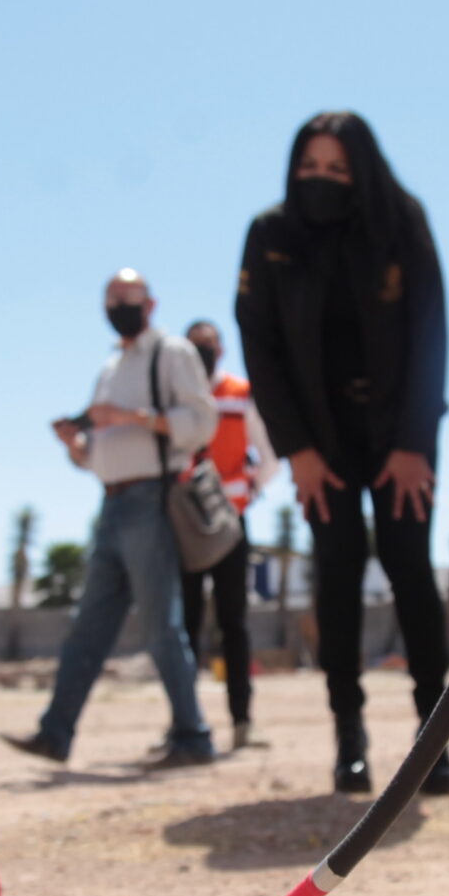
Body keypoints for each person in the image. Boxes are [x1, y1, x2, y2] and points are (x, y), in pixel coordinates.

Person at [236, 112, 449, 798]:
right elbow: (260, 347)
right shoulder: (270, 235)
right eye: (310, 167)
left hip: (401, 434)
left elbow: (430, 330)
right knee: (334, 576)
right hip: (318, 442)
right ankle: (349, 739)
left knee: (410, 569)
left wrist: (415, 442)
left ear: (361, 171)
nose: (321, 180)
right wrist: (295, 449)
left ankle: (433, 742)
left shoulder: (401, 221)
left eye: (337, 168)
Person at [2, 270, 218, 770]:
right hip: (111, 505)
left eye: (129, 297)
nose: (119, 304)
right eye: (111, 298)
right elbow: (96, 455)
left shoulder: (172, 354)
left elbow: (200, 423)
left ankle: (194, 736)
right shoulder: (111, 365)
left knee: (161, 628)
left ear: (151, 302)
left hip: (151, 502)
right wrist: (75, 445)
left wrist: (131, 417)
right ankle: (55, 734)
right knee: (88, 629)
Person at [180, 318, 275, 753]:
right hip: (184, 529)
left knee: (233, 624)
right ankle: (184, 723)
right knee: (184, 625)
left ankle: (242, 721)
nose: (203, 351)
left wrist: (253, 488)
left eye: (209, 344)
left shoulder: (240, 393)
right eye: (195, 345)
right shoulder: (176, 396)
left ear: (221, 349)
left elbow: (270, 452)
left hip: (231, 525)